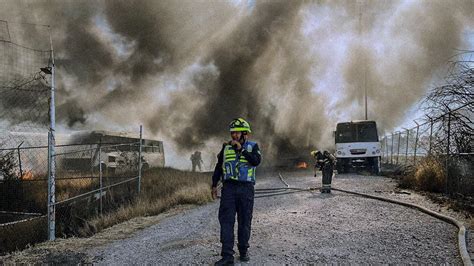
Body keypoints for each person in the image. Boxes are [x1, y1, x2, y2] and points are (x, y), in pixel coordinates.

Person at [211, 118, 262, 265]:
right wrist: (214, 185)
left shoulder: (253, 147)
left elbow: (256, 161)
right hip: (229, 189)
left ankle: (244, 250)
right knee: (226, 221)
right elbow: (219, 167)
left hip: (246, 189)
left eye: (237, 132)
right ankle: (227, 256)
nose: (234, 135)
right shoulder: (225, 148)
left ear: (245, 133)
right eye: (232, 132)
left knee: (244, 221)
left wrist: (241, 149)